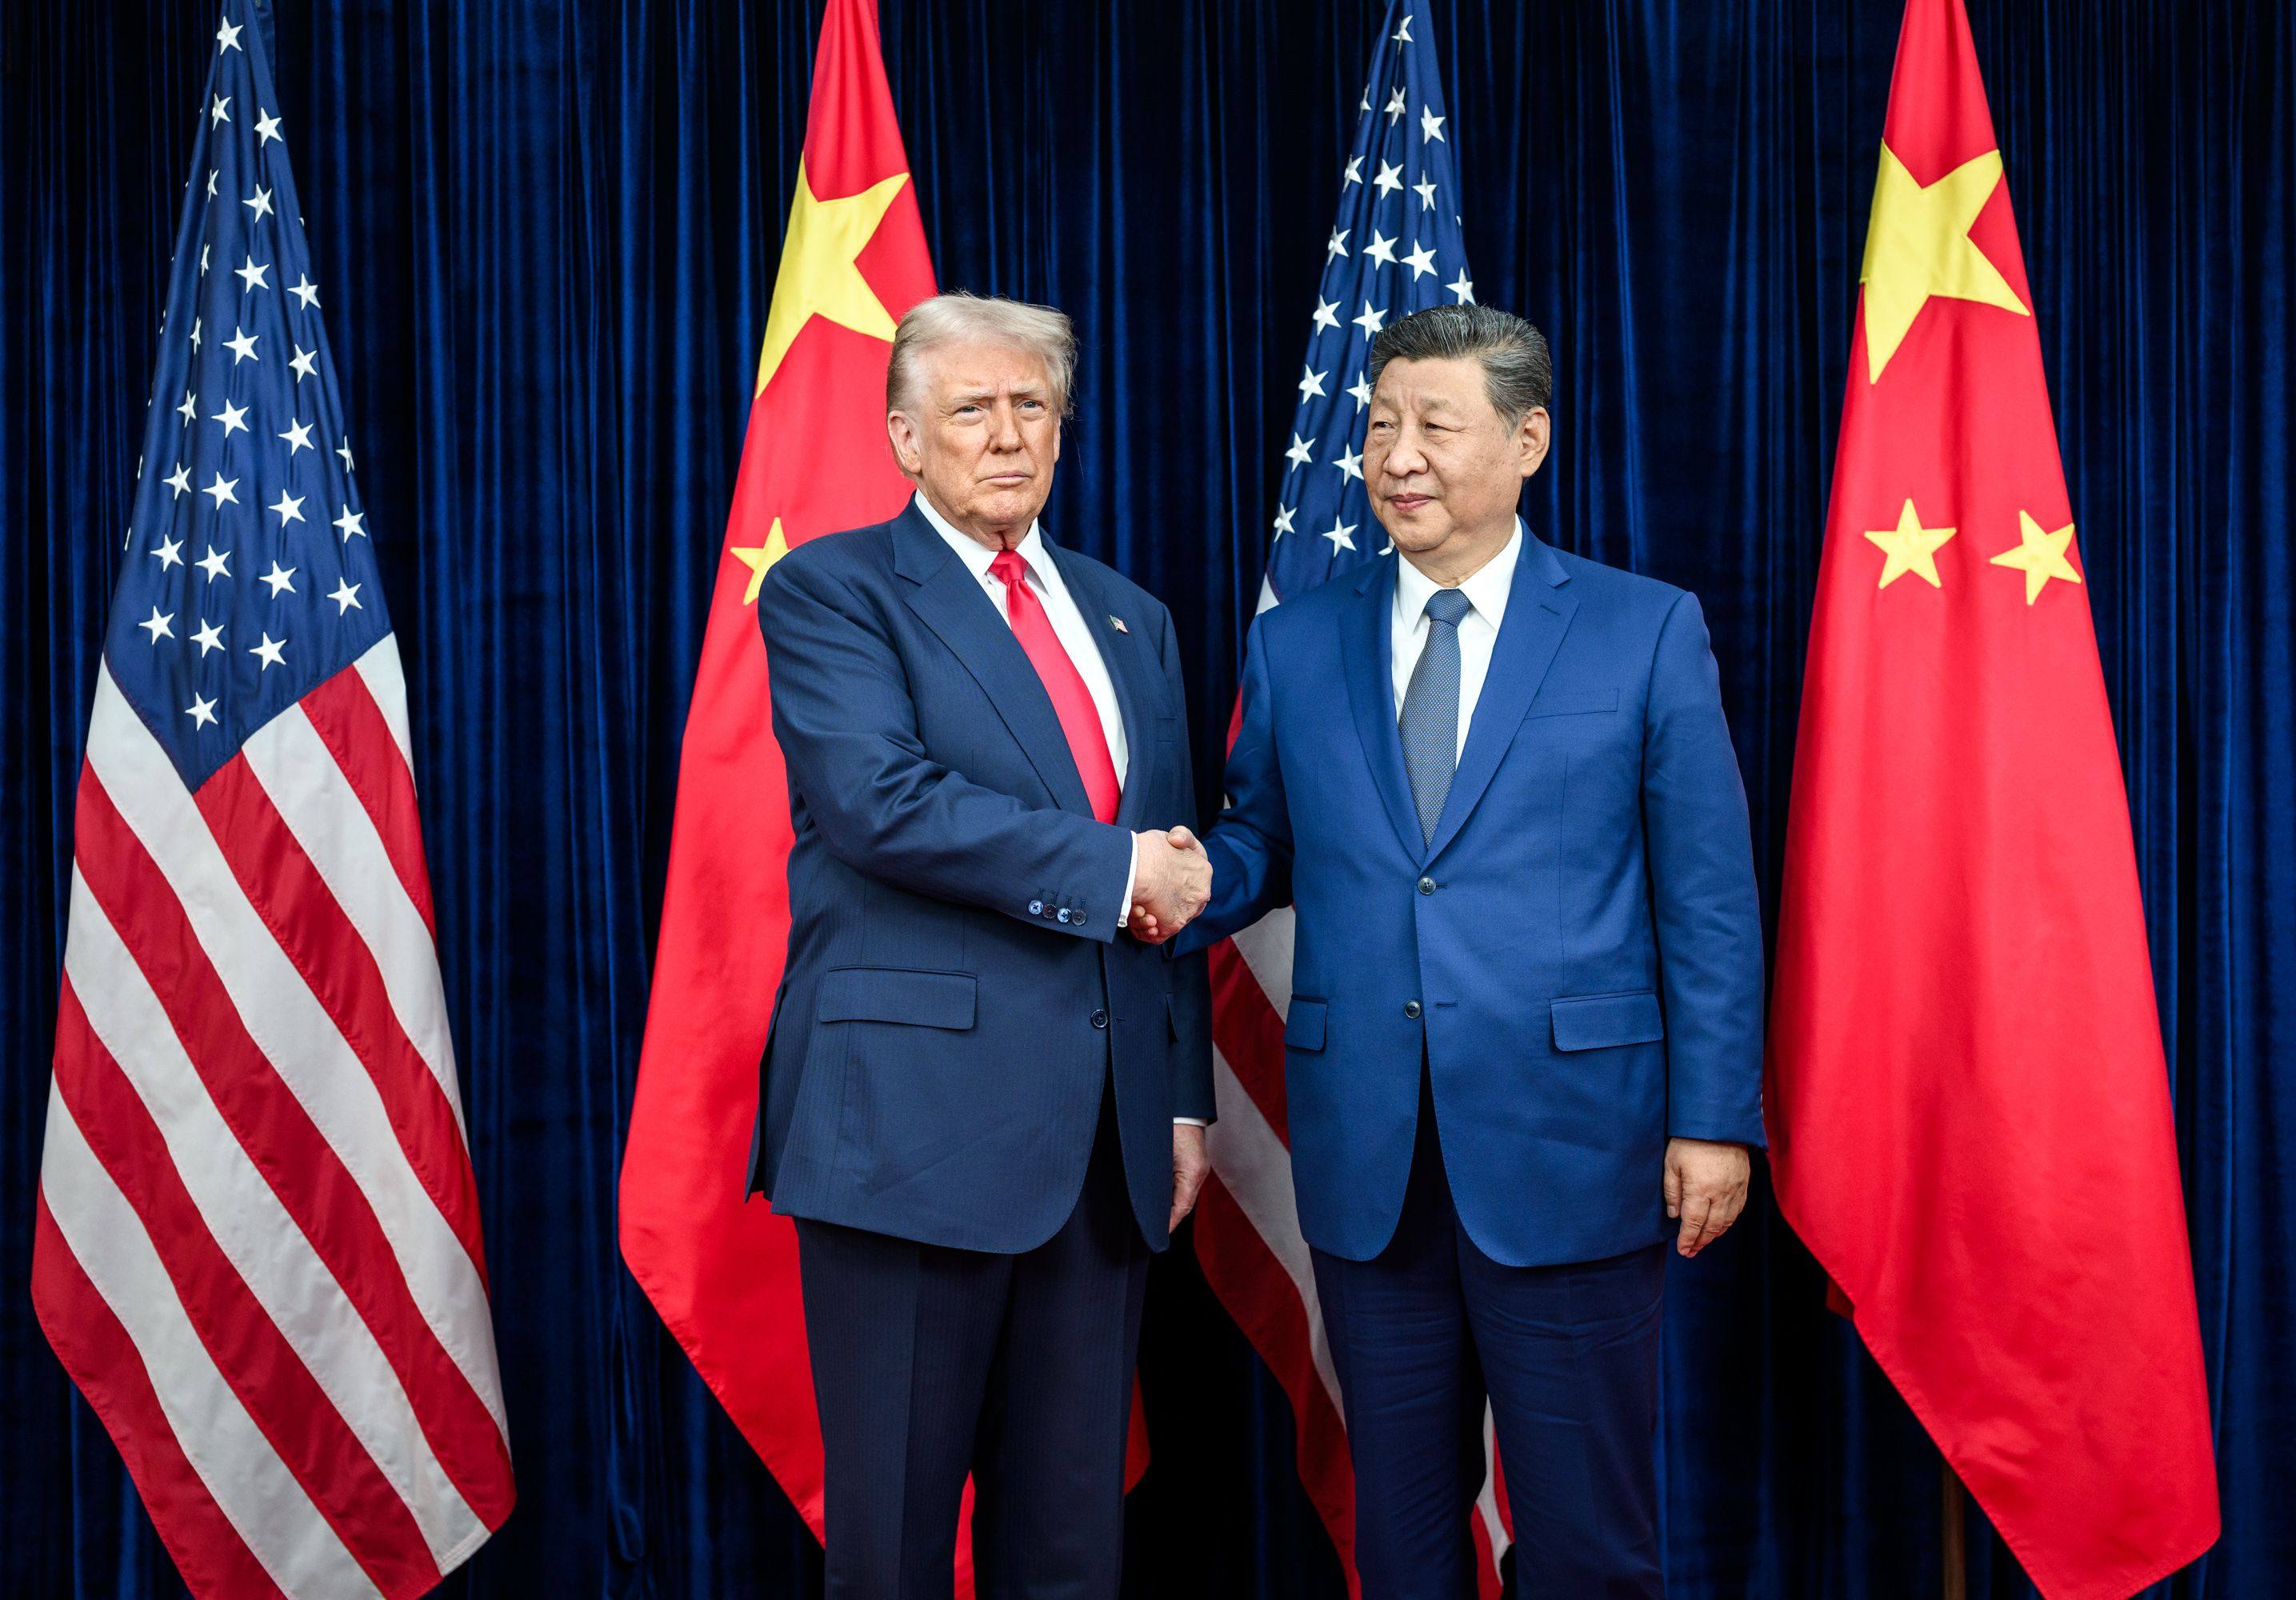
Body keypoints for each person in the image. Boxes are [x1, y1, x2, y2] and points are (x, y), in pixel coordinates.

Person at [1157, 304, 1764, 1598]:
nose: (1398, 456)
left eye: (1436, 424)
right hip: (1369, 1158)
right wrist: (1186, 878)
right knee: (1404, 1540)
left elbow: (1706, 902)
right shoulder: (1300, 639)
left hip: (1574, 1145)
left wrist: (1715, 1119)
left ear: (1528, 439)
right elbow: (1264, 840)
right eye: (1380, 427)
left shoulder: (1642, 629)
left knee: (1588, 1543)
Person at [748, 290, 1215, 1598]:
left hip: (1109, 1146)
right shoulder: (834, 590)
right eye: (971, 410)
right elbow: (878, 802)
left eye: (1032, 408)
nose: (1006, 436)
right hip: (910, 1130)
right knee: (894, 1546)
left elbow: (1170, 887)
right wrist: (1118, 866)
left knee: (1070, 1546)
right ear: (904, 437)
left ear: (1064, 430)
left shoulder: (1133, 616)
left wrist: (1181, 1105)